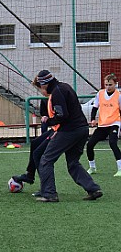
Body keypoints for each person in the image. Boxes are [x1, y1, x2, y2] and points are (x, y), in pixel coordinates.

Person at [35, 70, 103, 202]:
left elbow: (62, 115)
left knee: (46, 160)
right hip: (82, 129)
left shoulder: (56, 93)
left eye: (40, 85)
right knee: (73, 162)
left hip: (70, 131)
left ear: (44, 84)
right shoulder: (65, 87)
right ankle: (93, 189)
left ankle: (49, 194)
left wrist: (48, 121)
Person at [12, 76, 57, 196]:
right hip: (55, 129)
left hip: (61, 131)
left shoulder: (56, 96)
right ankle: (30, 175)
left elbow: (63, 116)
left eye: (41, 88)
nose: (41, 92)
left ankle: (46, 188)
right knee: (35, 143)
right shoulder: (47, 99)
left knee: (39, 154)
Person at [86, 74, 121, 176]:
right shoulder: (100, 94)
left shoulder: (119, 96)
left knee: (112, 143)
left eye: (110, 84)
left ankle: (120, 168)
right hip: (102, 124)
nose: (108, 86)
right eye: (106, 84)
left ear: (115, 84)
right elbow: (95, 108)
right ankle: (92, 167)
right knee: (90, 144)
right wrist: (93, 119)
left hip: (115, 123)